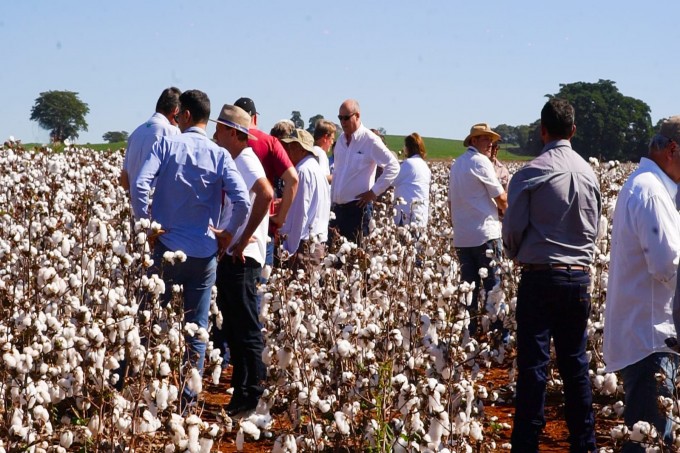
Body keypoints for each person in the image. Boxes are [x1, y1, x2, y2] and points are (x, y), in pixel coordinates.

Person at [130, 90, 250, 410]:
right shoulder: (220, 155)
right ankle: (188, 401)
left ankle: (154, 397)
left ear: (183, 115)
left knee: (155, 322)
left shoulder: (166, 145)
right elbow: (243, 202)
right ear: (206, 119)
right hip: (203, 255)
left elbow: (140, 184)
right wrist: (227, 235)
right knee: (197, 328)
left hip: (166, 247)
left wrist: (148, 227)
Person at [503, 98, 600, 452]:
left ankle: (526, 445)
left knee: (533, 368)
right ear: (573, 131)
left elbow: (512, 231)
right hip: (579, 279)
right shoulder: (590, 175)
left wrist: (516, 253)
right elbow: (594, 230)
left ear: (543, 130)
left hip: (541, 278)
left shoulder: (530, 173)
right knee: (576, 366)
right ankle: (584, 445)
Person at [603, 116, 680, 451]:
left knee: (648, 435)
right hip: (652, 338)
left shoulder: (647, 185)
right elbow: (667, 264)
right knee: (650, 440)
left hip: (648, 336)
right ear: (673, 150)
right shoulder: (651, 192)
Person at [211, 104, 274, 417]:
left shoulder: (246, 160)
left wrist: (245, 237)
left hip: (244, 257)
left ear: (235, 133)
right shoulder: (236, 159)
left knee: (245, 326)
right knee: (235, 324)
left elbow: (266, 194)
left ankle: (252, 393)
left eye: (221, 128)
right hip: (236, 254)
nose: (216, 133)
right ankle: (242, 388)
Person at [448, 123, 507, 337]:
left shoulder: (457, 165)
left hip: (463, 238)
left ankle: (469, 333)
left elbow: (450, 203)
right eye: (485, 138)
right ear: (473, 141)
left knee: (468, 291)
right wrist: (510, 217)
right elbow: (500, 197)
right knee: (494, 289)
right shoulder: (481, 162)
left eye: (491, 139)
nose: (490, 143)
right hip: (485, 236)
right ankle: (499, 335)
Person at [234, 97, 299, 269]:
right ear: (255, 117)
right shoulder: (270, 142)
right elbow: (292, 179)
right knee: (259, 287)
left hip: (231, 224)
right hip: (262, 225)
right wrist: (280, 218)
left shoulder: (228, 140)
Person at [330, 99, 399, 245]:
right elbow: (337, 173)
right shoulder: (340, 141)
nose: (343, 122)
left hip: (357, 210)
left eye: (346, 117)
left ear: (357, 116)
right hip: (337, 210)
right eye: (340, 118)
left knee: (354, 258)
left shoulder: (370, 140)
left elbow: (393, 166)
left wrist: (374, 192)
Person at [278, 128, 330, 268]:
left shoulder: (302, 171)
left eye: (292, 146)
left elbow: (300, 213)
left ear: (301, 149)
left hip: (304, 246)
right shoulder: (316, 169)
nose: (288, 150)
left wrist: (290, 248)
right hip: (315, 243)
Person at [120, 87, 181, 192]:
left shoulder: (135, 133)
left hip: (134, 203)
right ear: (176, 110)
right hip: (159, 203)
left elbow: (124, 175)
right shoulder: (173, 132)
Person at [392, 132, 431, 227]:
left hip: (406, 214)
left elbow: (392, 180)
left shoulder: (408, 164)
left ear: (408, 148)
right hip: (421, 213)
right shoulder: (425, 166)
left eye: (405, 146)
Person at [312, 119, 335, 184]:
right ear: (325, 137)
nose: (332, 142)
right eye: (332, 139)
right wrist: (338, 177)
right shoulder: (321, 154)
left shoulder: (312, 151)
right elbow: (321, 178)